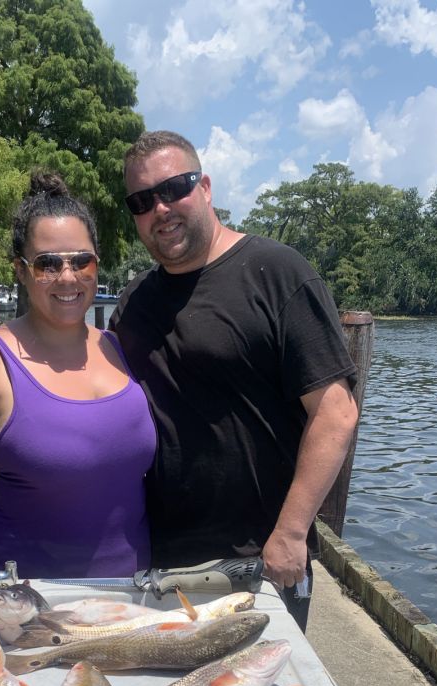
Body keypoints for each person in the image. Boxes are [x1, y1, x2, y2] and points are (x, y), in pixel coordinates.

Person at [109, 131, 359, 631]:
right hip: (159, 557)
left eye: (173, 189)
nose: (160, 209)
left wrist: (291, 533)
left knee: (258, 681)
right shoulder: (133, 303)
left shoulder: (277, 273)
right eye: (142, 201)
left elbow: (335, 412)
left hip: (258, 559)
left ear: (204, 187)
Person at [0, 172, 156, 614]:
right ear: (21, 270)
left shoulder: (117, 348)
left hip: (133, 594)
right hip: (27, 599)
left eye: (81, 261)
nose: (67, 277)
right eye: (47, 264)